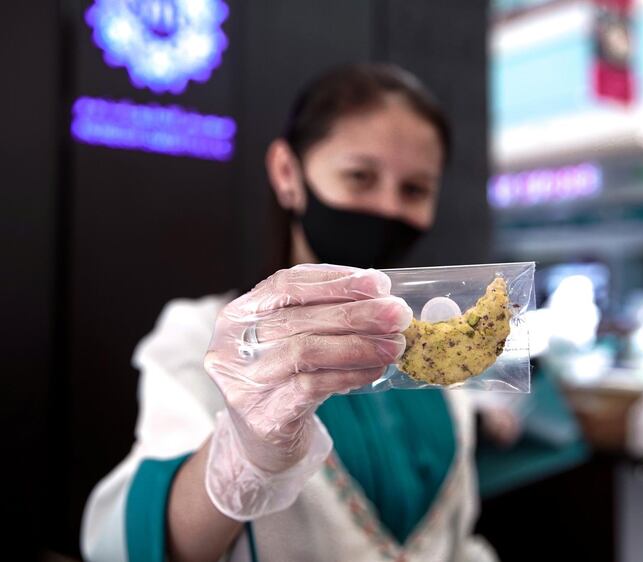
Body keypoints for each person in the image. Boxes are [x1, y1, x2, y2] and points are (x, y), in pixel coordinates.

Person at [81, 63, 507, 562]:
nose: (388, 208)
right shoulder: (202, 337)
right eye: (360, 176)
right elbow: (127, 547)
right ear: (288, 173)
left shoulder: (438, 356)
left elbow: (455, 540)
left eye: (414, 190)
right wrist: (242, 458)